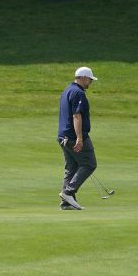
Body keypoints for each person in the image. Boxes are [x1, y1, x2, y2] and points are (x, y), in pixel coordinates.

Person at [57, 66, 99, 210]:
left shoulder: (67, 90)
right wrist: (80, 138)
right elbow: (76, 115)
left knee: (72, 168)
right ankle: (68, 192)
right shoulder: (78, 93)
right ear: (83, 78)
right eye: (89, 80)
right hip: (74, 136)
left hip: (63, 136)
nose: (90, 83)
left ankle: (66, 203)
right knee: (89, 164)